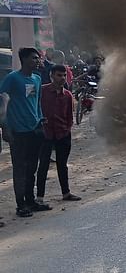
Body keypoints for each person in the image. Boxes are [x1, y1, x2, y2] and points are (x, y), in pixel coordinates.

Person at [0, 48, 51, 217]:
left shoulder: (37, 79)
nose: (37, 61)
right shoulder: (12, 78)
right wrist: (5, 127)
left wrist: (41, 118)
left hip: (35, 130)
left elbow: (36, 103)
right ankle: (20, 205)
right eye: (34, 58)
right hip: (18, 132)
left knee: (32, 168)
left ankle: (30, 200)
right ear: (23, 59)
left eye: (38, 58)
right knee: (20, 169)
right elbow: (3, 103)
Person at [36, 64, 82, 204]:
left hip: (63, 133)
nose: (62, 78)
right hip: (46, 133)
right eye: (59, 75)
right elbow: (36, 108)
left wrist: (67, 129)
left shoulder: (68, 95)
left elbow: (69, 116)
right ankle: (40, 197)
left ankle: (66, 193)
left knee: (62, 164)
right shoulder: (42, 91)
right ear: (51, 76)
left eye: (64, 75)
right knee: (43, 165)